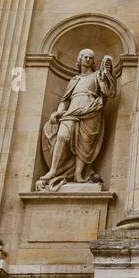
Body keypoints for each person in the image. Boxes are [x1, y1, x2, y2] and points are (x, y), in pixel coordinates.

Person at [35, 49, 117, 191]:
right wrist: (58, 113)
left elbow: (107, 91)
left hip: (91, 110)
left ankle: (78, 175)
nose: (88, 59)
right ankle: (53, 170)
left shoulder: (97, 75)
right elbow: (65, 100)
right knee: (62, 136)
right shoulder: (74, 80)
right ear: (79, 60)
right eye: (85, 56)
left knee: (85, 143)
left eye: (91, 57)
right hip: (72, 110)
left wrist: (107, 73)